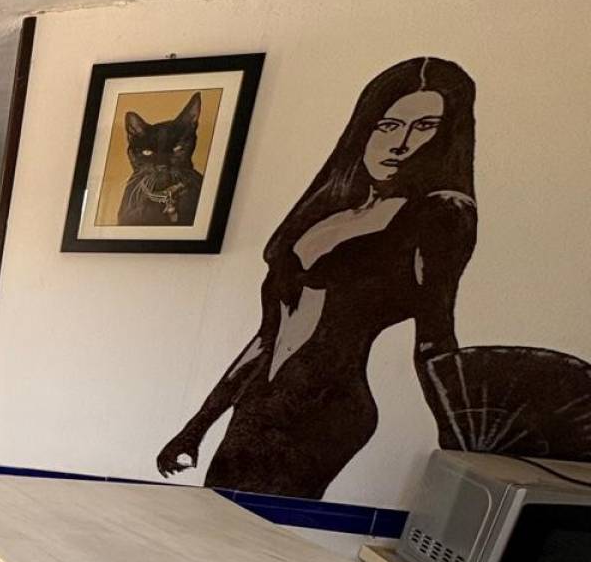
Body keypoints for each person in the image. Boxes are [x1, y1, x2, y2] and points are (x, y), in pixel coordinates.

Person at [157, 58, 476, 498]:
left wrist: (465, 448)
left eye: (424, 127)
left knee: (252, 532)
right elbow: (267, 339)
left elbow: (435, 339)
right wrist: (197, 427)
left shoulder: (440, 214)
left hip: (328, 408)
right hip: (262, 400)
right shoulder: (327, 212)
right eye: (387, 126)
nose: (401, 144)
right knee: (213, 521)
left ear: (448, 135)